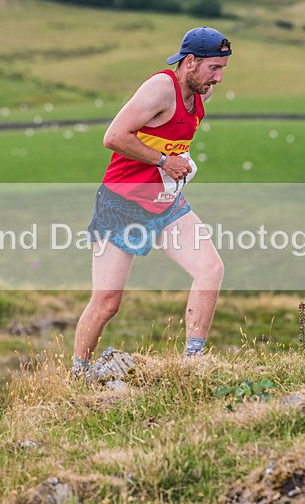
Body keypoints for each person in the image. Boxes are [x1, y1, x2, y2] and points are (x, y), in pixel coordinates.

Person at [72, 26, 232, 376]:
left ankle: (194, 363)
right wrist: (163, 161)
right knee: (107, 303)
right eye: (213, 68)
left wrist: (182, 161)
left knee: (210, 270)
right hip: (122, 205)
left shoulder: (200, 94)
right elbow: (113, 136)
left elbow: (170, 139)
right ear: (190, 62)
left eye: (222, 68)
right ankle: (79, 374)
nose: (219, 78)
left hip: (166, 203)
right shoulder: (161, 88)